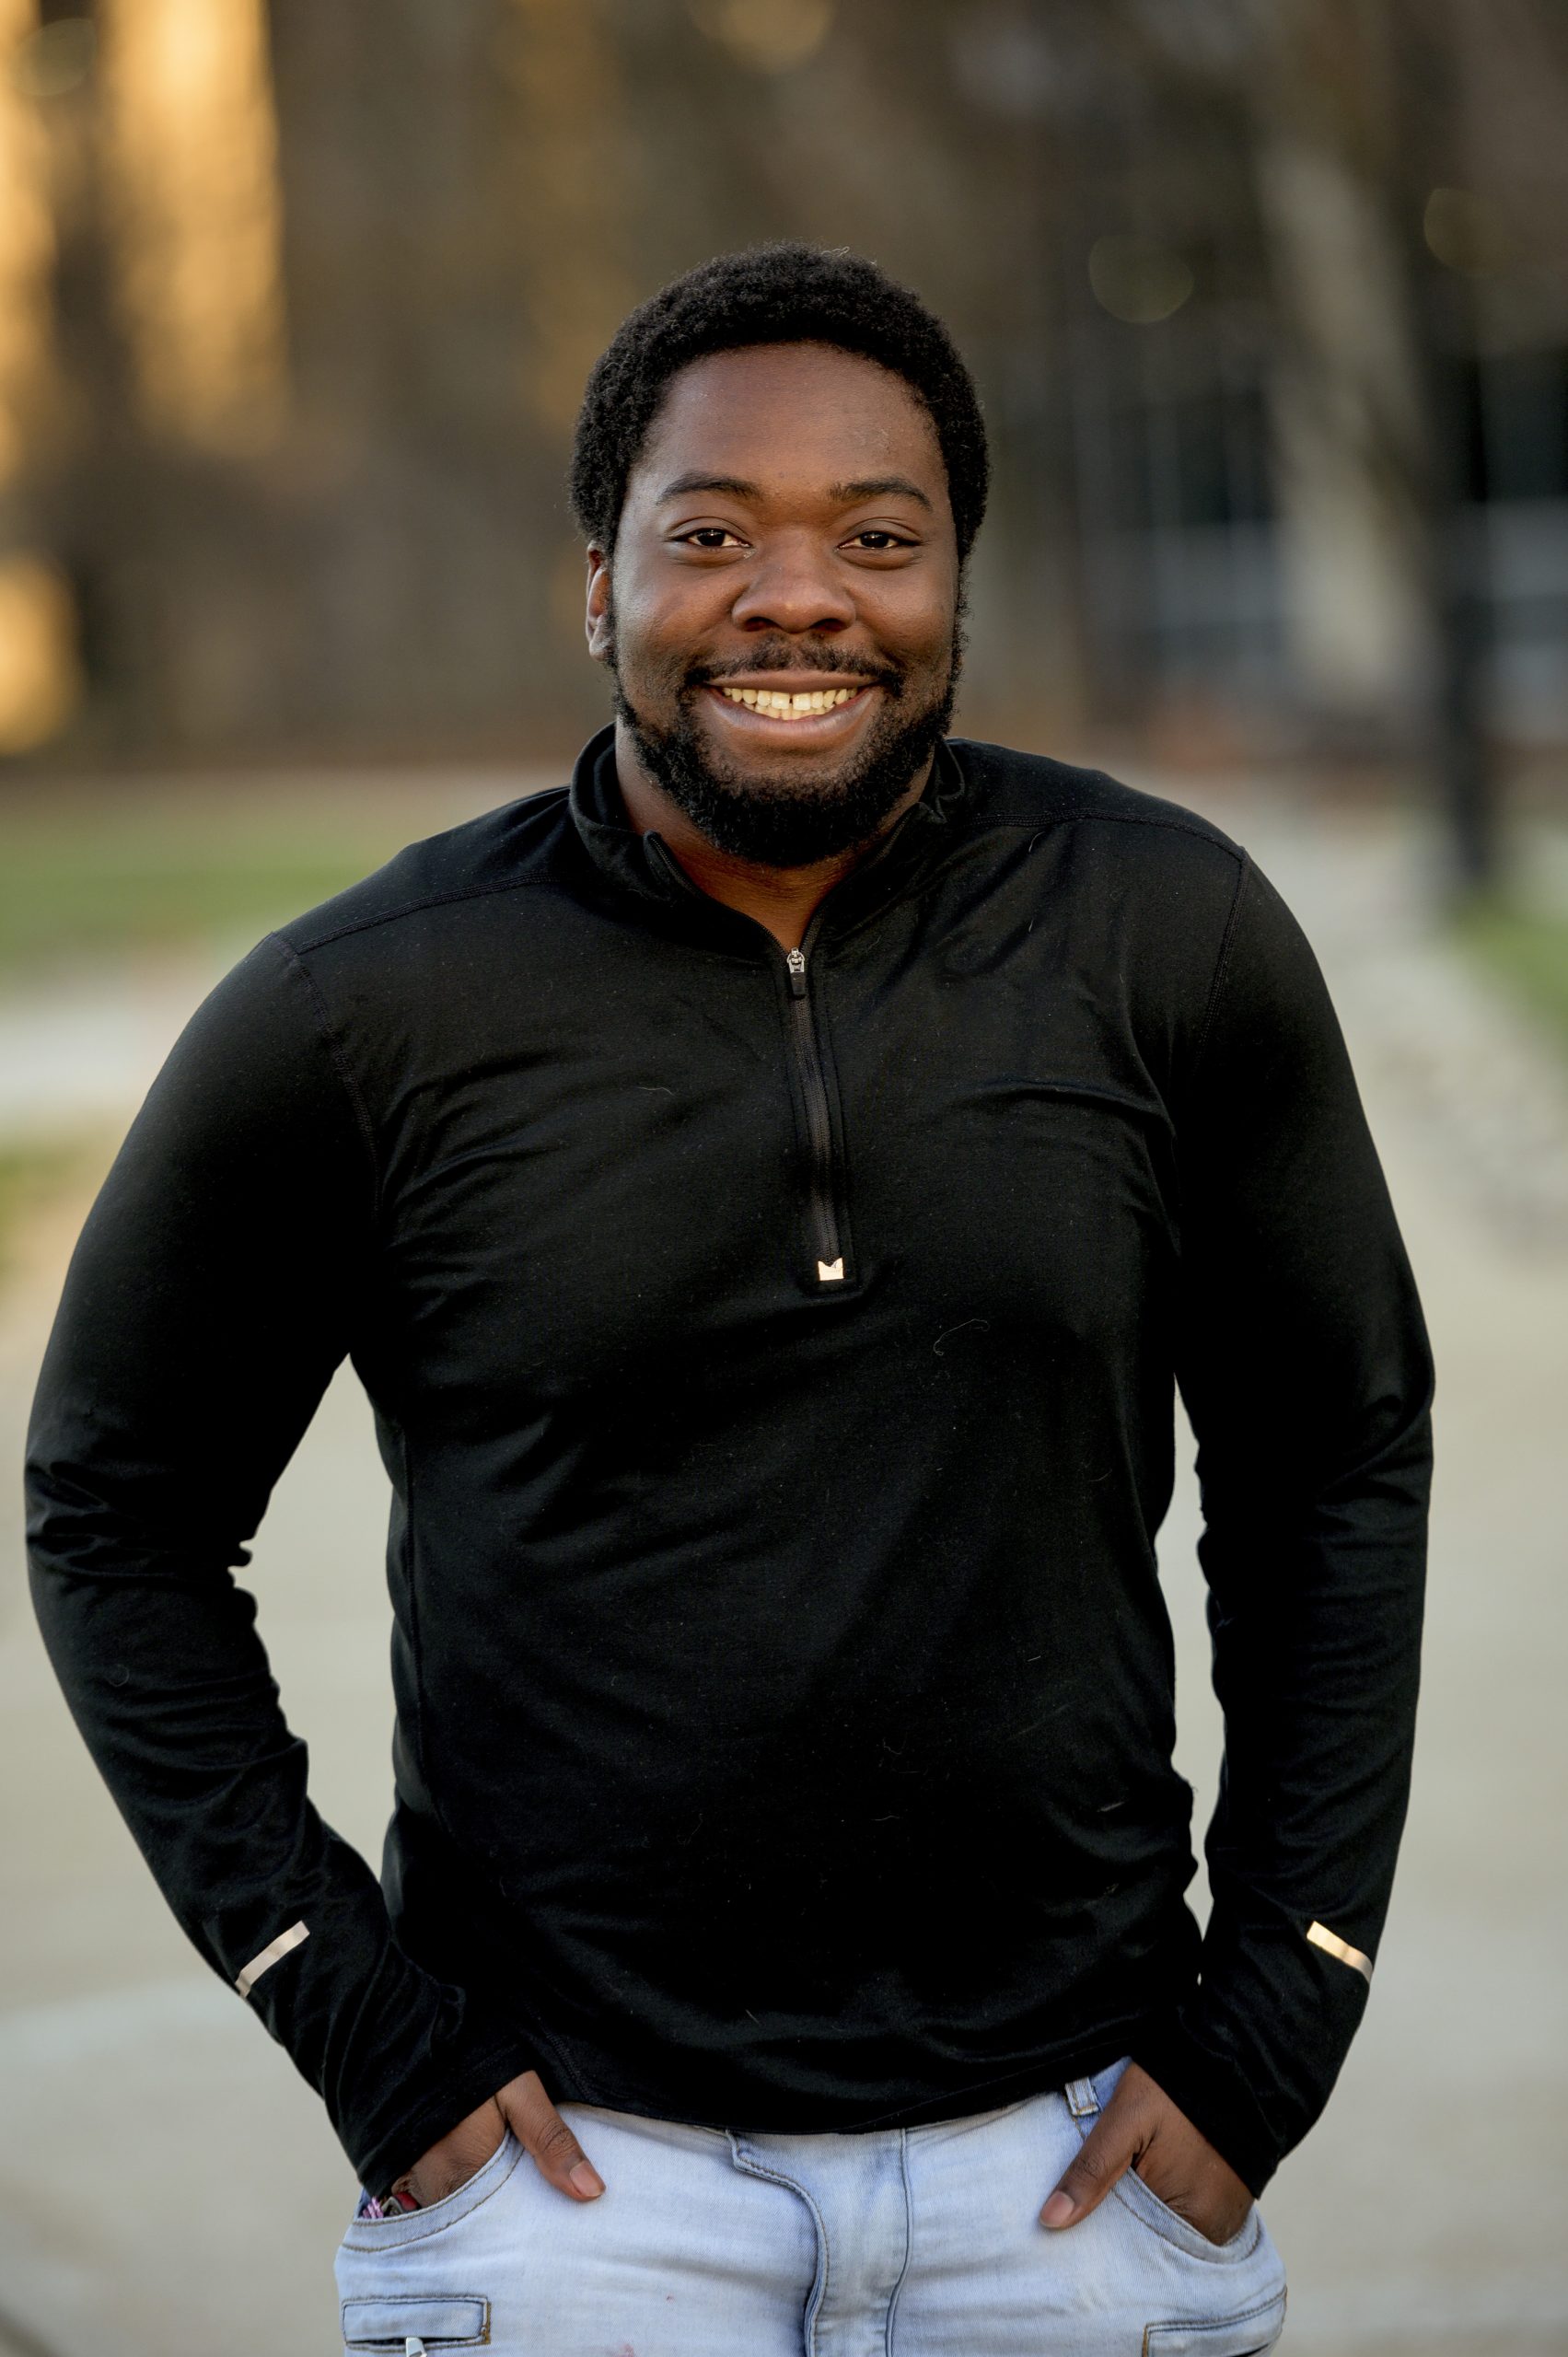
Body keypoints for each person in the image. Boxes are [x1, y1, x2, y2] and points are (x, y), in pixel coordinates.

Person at [27, 245, 1432, 2356]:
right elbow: (113, 1509)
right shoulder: (367, 1008)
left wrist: (1286, 1999)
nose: (799, 597)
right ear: (598, 585)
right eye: (711, 535)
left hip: (1073, 2172)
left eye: (881, 535)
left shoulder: (1170, 935)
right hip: (573, 2198)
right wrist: (351, 2010)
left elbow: (1336, 1455)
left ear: (960, 584)